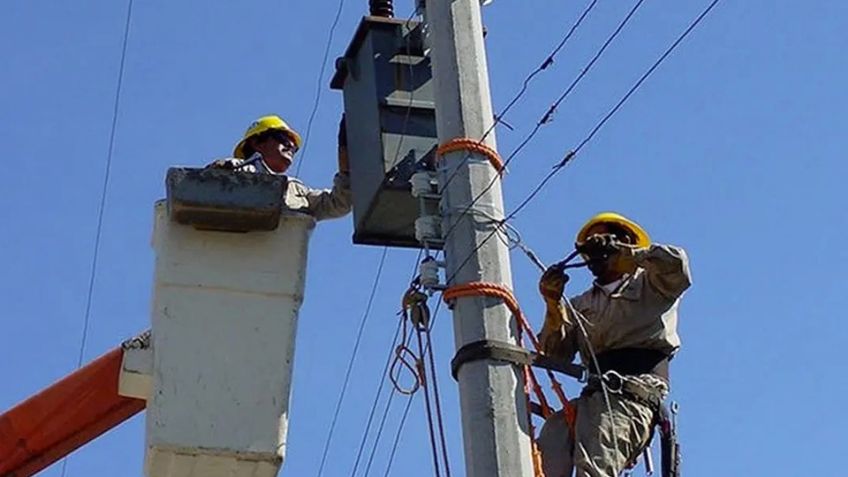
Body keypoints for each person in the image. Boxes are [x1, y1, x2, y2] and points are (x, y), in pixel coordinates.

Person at [536, 212, 692, 477]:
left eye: (603, 241)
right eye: (590, 247)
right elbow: (555, 355)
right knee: (550, 442)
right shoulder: (580, 305)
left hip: (632, 396)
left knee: (594, 468)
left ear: (626, 241)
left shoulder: (651, 284)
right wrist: (553, 304)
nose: (596, 251)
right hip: (593, 397)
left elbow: (678, 267)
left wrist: (631, 255)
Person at [208, 114, 352, 221]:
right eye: (283, 139)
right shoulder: (233, 171)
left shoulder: (295, 190)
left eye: (294, 148)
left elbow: (340, 203)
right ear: (257, 143)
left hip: (277, 256)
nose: (290, 147)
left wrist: (346, 152)